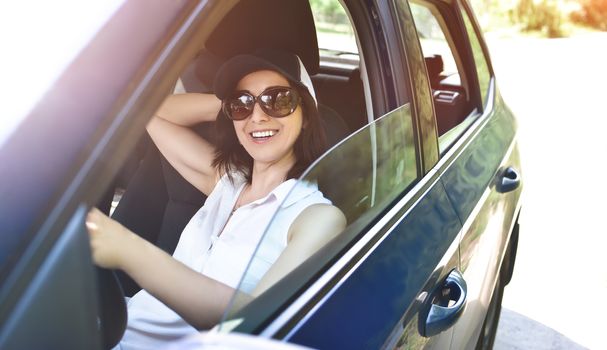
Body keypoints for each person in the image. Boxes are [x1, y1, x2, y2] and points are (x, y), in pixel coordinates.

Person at [86, 49, 346, 349]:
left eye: (278, 100)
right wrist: (227, 106)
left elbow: (258, 323)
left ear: (307, 118)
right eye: (243, 103)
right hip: (110, 328)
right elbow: (150, 112)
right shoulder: (226, 182)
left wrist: (128, 250)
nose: (259, 116)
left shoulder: (316, 216)